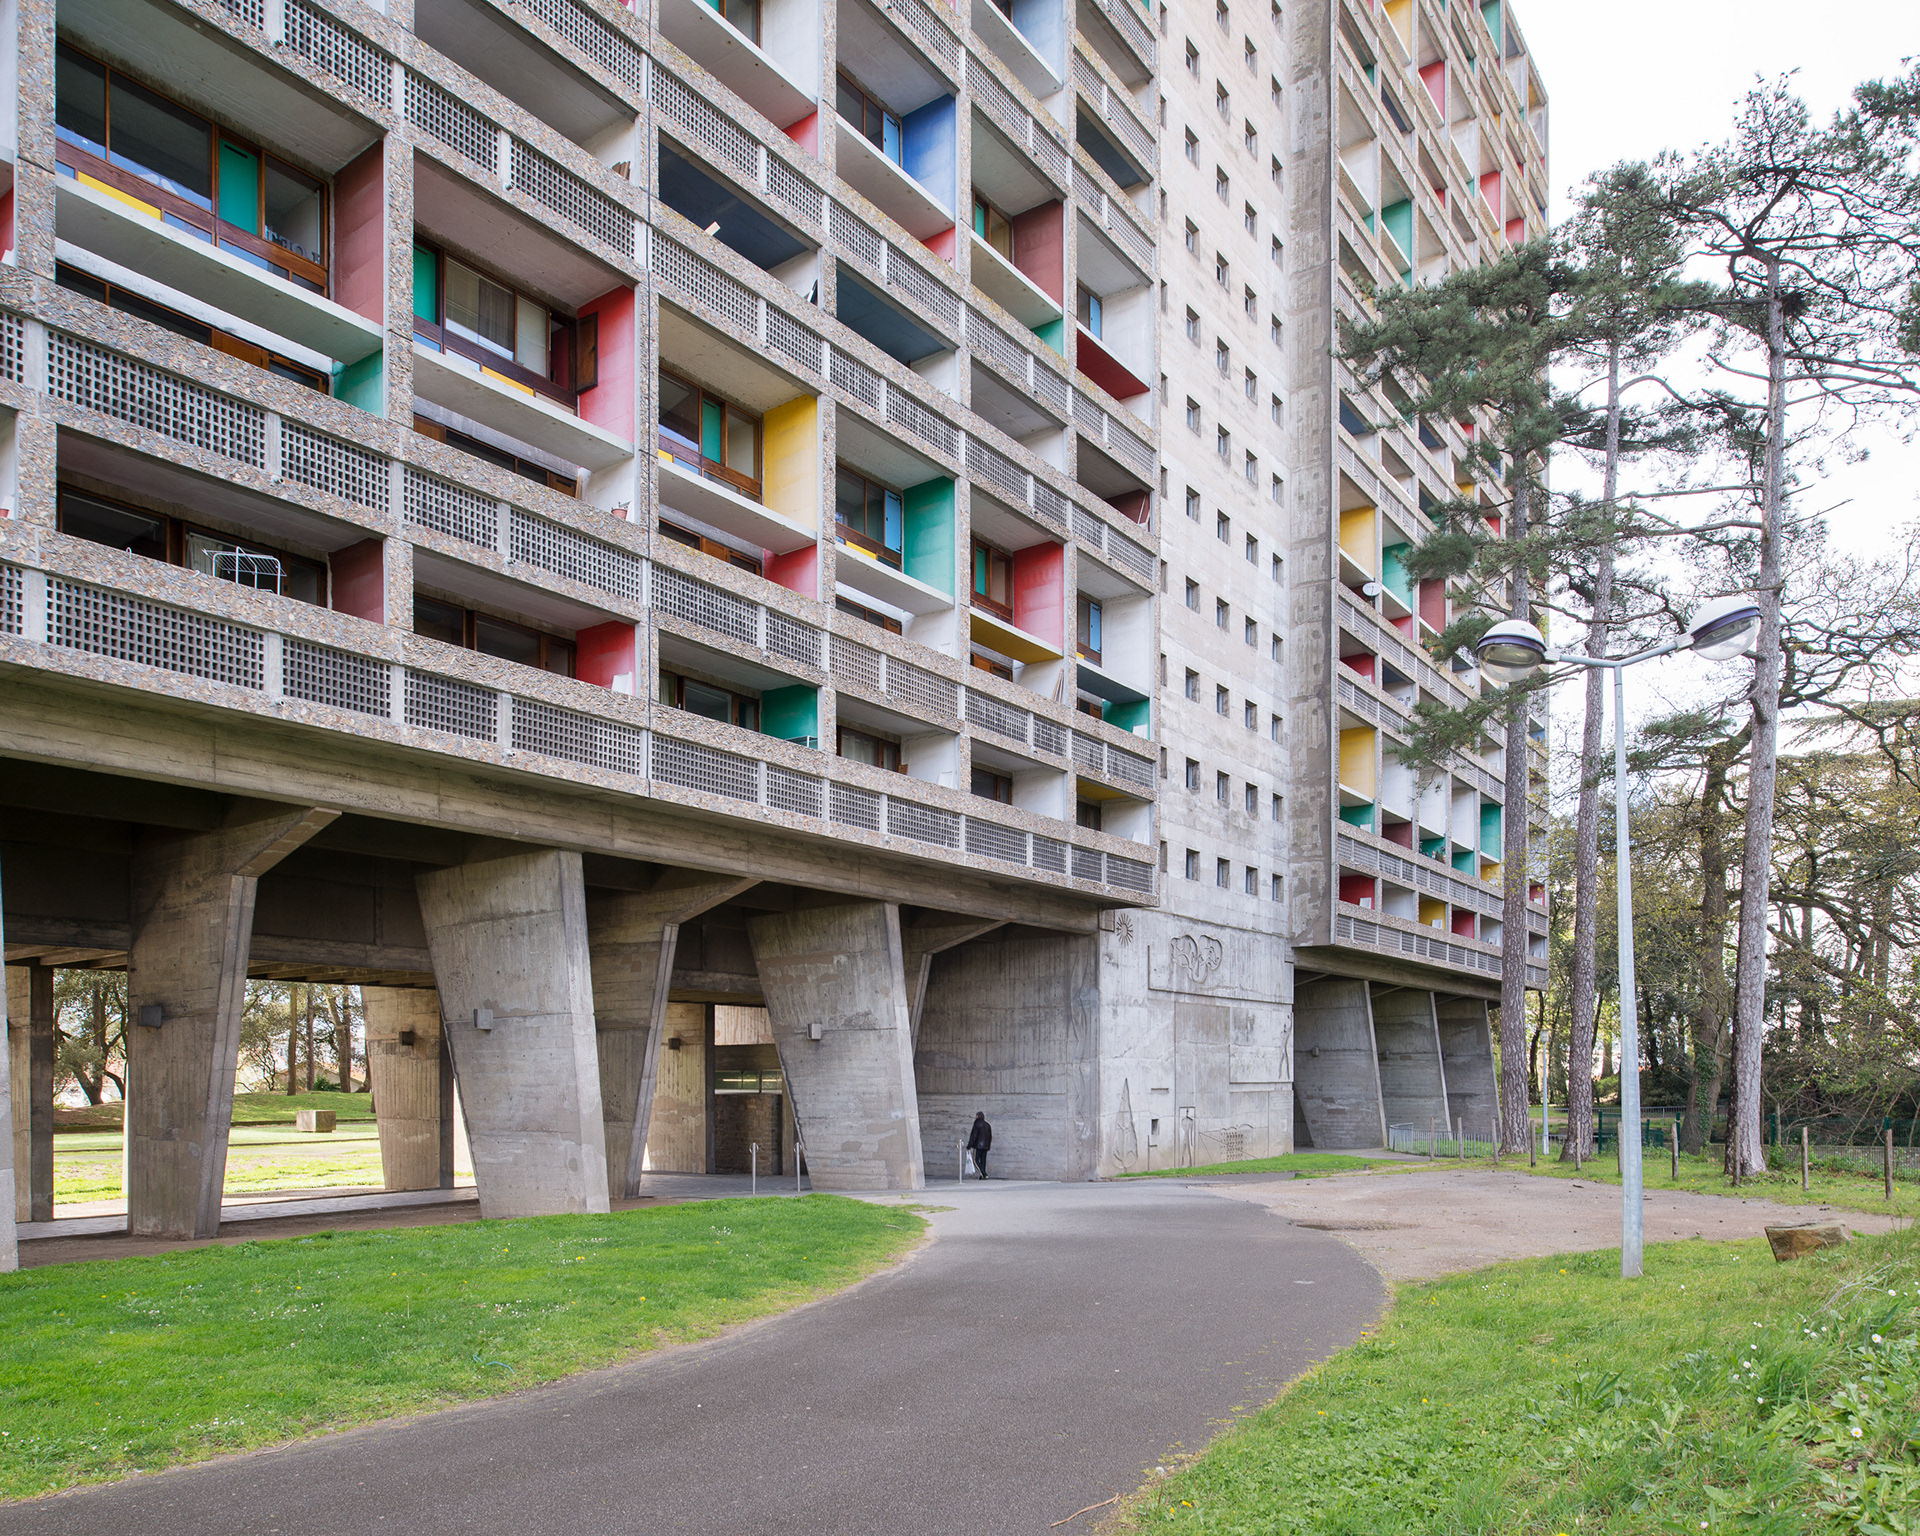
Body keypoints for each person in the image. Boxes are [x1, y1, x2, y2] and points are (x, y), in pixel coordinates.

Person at [966, 1111, 992, 1180]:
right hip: (986, 1146)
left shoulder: (977, 1124)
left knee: (976, 1160)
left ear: (977, 1116)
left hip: (978, 1146)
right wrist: (988, 1146)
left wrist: (969, 1146)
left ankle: (984, 1174)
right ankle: (982, 1175)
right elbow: (990, 1137)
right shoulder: (987, 1125)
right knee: (983, 1161)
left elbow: (973, 1136)